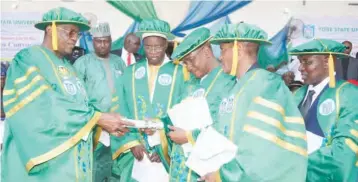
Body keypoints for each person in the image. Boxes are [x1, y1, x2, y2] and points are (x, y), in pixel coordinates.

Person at [0, 7, 132, 182]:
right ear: (50, 29)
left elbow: (82, 107)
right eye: (70, 32)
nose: (74, 39)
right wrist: (97, 118)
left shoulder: (69, 67)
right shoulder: (28, 58)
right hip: (45, 167)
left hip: (72, 165)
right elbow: (44, 105)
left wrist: (106, 122)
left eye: (76, 34)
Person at [201, 23, 308, 182]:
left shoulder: (266, 84)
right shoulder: (234, 86)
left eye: (223, 49)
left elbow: (261, 149)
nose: (220, 56)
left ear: (239, 49)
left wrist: (223, 175)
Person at [111, 19, 186, 182]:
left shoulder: (180, 73)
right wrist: (131, 143)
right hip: (137, 153)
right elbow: (120, 108)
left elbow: (184, 113)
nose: (152, 52)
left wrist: (165, 148)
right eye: (148, 47)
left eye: (157, 47)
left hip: (167, 153)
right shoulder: (130, 73)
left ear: (166, 45)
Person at [162, 27, 235, 182]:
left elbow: (226, 129)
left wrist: (189, 136)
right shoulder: (190, 85)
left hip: (205, 173)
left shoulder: (228, 83)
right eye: (184, 63)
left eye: (190, 60)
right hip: (179, 170)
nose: (188, 67)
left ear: (207, 52)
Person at [290, 39, 358, 182]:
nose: (300, 68)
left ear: (327, 62)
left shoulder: (349, 95)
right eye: (300, 61)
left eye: (307, 62)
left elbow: (344, 153)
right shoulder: (296, 95)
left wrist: (295, 166)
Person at [73, 22, 126, 182]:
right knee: (94, 167)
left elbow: (125, 91)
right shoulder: (82, 63)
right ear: (93, 41)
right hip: (94, 125)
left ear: (111, 41)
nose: (103, 45)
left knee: (117, 166)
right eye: (98, 41)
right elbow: (76, 97)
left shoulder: (119, 62)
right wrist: (97, 119)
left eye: (106, 41)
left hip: (118, 125)